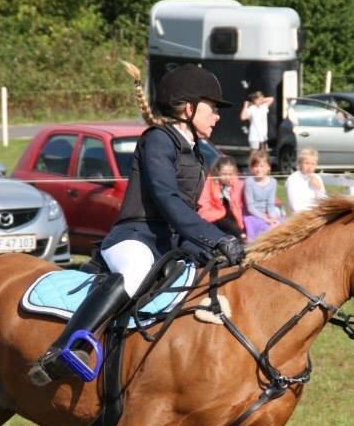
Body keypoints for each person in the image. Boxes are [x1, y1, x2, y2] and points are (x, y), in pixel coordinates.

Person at [28, 62, 244, 386]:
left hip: (169, 242)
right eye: (212, 108)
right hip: (135, 236)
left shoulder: (196, 152)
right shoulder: (157, 140)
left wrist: (218, 243)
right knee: (133, 274)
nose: (217, 116)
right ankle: (65, 349)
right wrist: (212, 237)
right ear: (189, 108)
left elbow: (186, 212)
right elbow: (166, 199)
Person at [197, 156, 245, 241]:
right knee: (228, 225)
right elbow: (205, 201)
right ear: (218, 172)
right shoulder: (211, 182)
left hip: (231, 215)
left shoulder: (237, 183)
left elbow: (240, 202)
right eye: (224, 174)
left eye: (230, 174)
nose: (227, 177)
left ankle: (240, 237)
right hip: (215, 215)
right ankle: (240, 236)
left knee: (232, 224)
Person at [242, 149, 282, 241]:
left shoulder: (273, 182)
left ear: (268, 167)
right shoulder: (249, 182)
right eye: (256, 166)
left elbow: (270, 204)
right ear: (252, 168)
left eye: (262, 166)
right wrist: (265, 219)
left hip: (268, 213)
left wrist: (272, 217)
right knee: (267, 229)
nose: (259, 169)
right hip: (253, 215)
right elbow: (250, 207)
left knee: (279, 225)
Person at [285, 147, 327, 213]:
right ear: (300, 163)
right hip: (299, 215)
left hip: (316, 213)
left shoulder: (317, 178)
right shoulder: (293, 179)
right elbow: (294, 205)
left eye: (313, 164)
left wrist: (318, 188)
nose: (310, 167)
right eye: (307, 163)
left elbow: (323, 201)